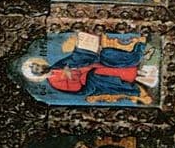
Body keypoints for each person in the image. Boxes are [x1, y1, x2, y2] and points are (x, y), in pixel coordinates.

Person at [23, 37, 154, 104]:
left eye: (38, 65)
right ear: (38, 74)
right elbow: (76, 88)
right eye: (37, 69)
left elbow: (74, 59)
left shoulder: (56, 66)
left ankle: (138, 56)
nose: (40, 67)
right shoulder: (54, 83)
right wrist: (70, 75)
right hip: (89, 82)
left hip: (89, 67)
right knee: (98, 73)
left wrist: (81, 50)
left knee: (105, 54)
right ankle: (136, 76)